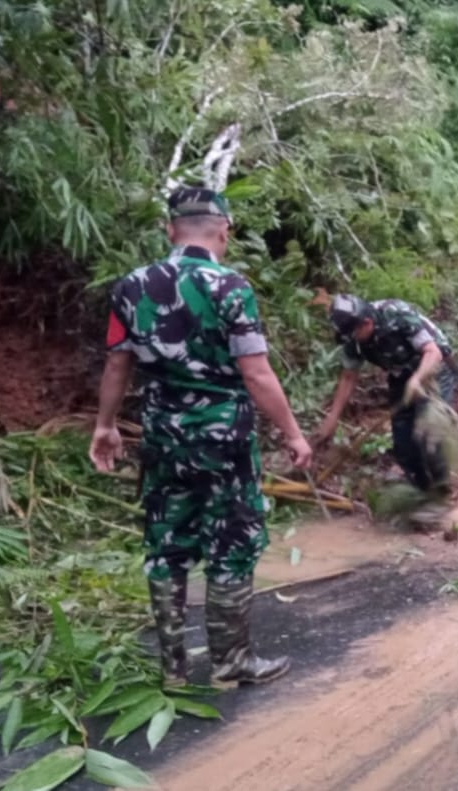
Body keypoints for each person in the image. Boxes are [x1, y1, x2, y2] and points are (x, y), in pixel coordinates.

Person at [88, 187, 312, 689]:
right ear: (224, 231)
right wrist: (293, 434)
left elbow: (117, 362)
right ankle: (231, 662)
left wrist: (104, 427)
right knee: (231, 543)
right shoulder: (230, 285)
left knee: (166, 545)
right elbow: (256, 373)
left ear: (171, 229)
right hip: (224, 438)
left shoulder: (132, 285)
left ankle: (172, 669)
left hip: (163, 437)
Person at [313, 294, 457, 526]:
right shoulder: (353, 336)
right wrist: (332, 418)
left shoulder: (397, 315)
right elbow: (349, 377)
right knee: (403, 444)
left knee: (429, 432)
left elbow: (433, 352)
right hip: (400, 375)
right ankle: (422, 491)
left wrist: (418, 379)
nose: (352, 341)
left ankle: (441, 499)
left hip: (432, 370)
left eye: (354, 335)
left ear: (367, 323)